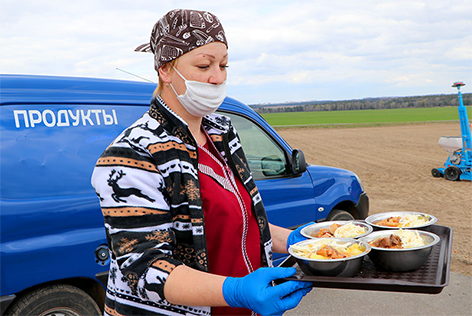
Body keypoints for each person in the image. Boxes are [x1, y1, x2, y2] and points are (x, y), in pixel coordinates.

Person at [91, 9, 312, 316]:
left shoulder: (222, 131)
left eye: (223, 65)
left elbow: (238, 221)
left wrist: (298, 242)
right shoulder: (133, 153)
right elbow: (146, 269)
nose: (218, 77)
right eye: (204, 65)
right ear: (166, 69)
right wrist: (236, 291)